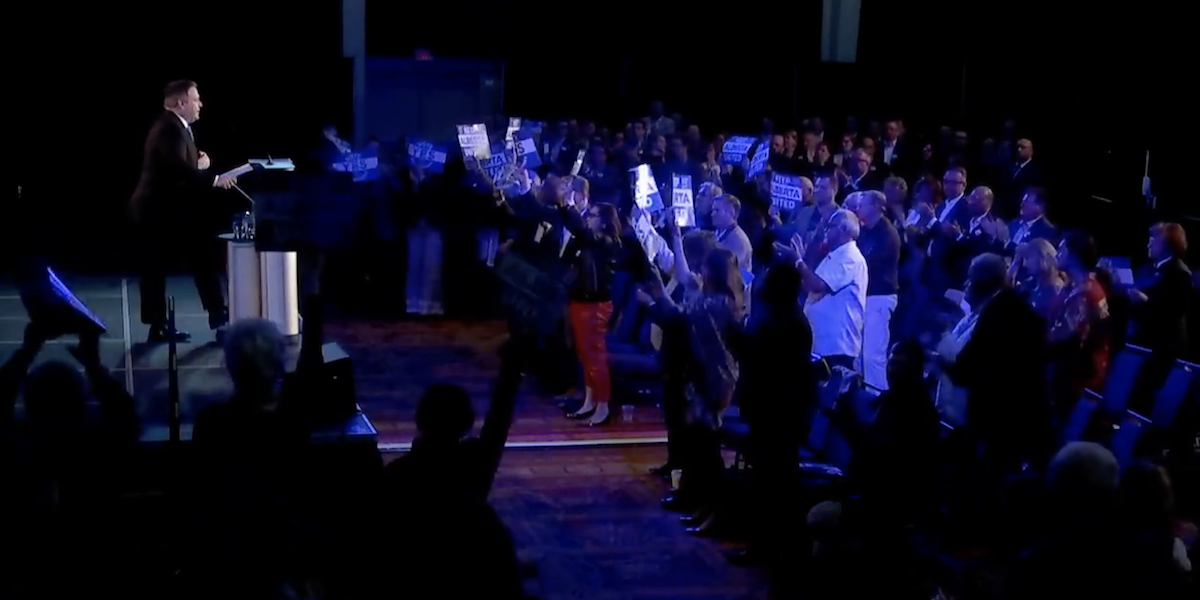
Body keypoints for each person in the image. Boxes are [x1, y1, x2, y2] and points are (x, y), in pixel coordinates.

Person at [129, 80, 235, 343]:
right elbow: (176, 167)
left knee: (192, 260)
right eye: (196, 99)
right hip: (157, 209)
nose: (200, 104)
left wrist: (200, 163)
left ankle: (212, 316)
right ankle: (211, 318)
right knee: (165, 266)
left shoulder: (178, 128)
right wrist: (213, 178)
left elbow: (179, 164)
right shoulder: (169, 128)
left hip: (171, 209)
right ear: (181, 103)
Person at [551, 179, 623, 426]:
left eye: (592, 215)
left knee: (596, 356)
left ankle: (603, 405)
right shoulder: (587, 239)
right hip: (579, 300)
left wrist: (565, 205)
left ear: (603, 220)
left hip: (596, 305)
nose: (588, 217)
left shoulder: (608, 242)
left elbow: (582, 230)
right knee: (584, 355)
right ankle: (589, 401)